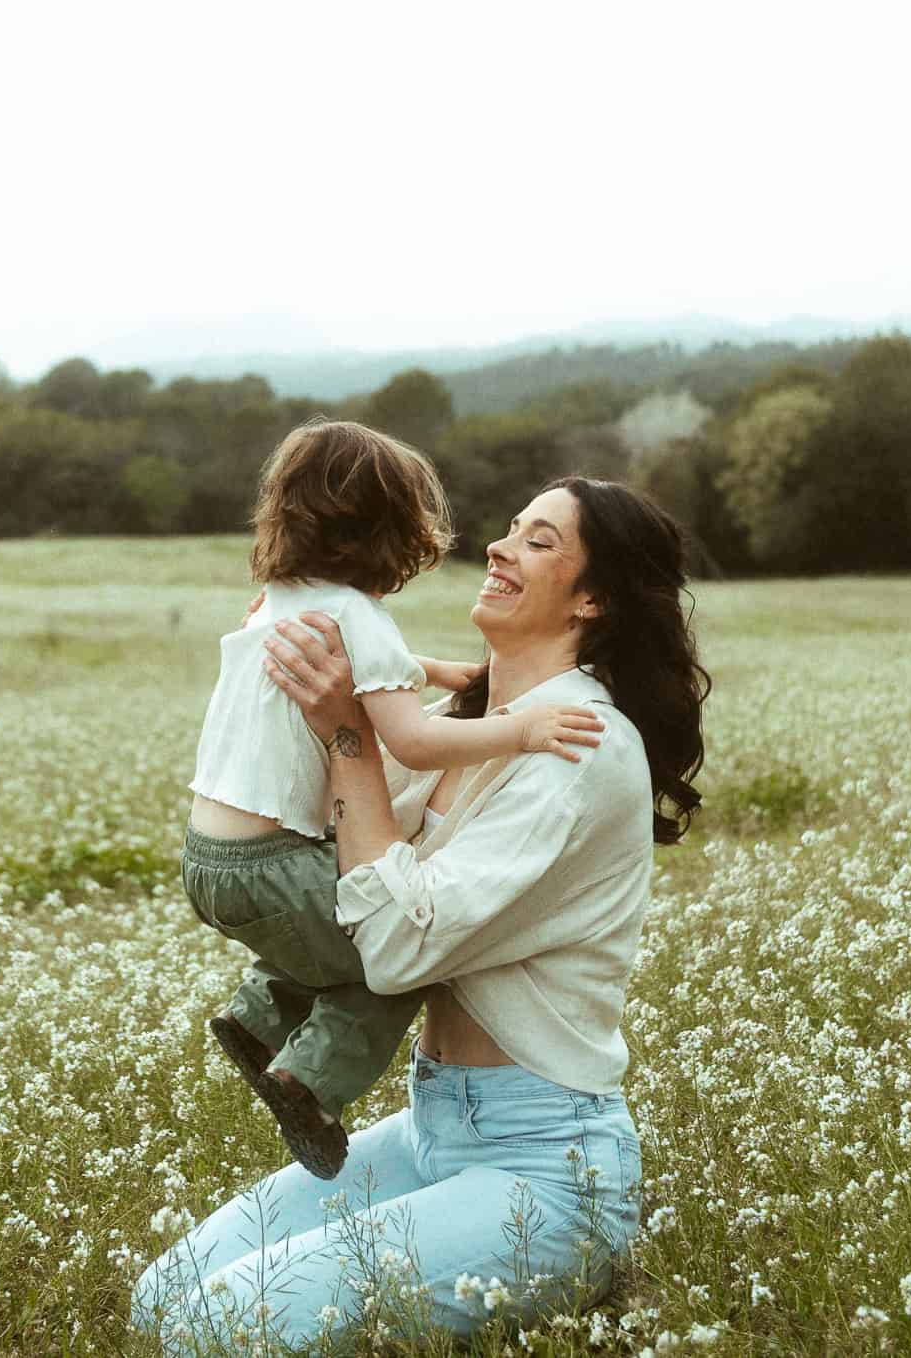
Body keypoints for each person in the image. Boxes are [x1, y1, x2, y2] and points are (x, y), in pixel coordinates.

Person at [137, 476, 710, 1351]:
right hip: (433, 1126)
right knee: (161, 1299)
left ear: (593, 598)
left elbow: (397, 947)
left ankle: (584, 1259)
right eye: (511, 527)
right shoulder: (473, 720)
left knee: (217, 1323)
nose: (501, 546)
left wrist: (347, 734)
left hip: (543, 1167)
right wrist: (281, 631)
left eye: (540, 540)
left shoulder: (579, 747)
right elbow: (337, 838)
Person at [185, 420, 606, 1179]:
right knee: (397, 948)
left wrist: (440, 671)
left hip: (211, 858)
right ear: (390, 535)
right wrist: (521, 728)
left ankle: (257, 1017)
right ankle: (308, 1079)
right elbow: (411, 743)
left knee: (338, 917)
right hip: (275, 862)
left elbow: (380, 668)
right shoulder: (360, 616)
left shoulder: (275, 600)